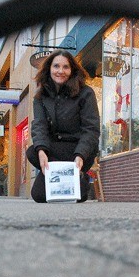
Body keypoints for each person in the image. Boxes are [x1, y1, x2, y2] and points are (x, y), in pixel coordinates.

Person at [26, 49, 100, 203]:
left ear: (72, 70)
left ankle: (79, 177)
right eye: (56, 66)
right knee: (39, 194)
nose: (61, 71)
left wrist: (80, 155)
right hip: (54, 150)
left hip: (79, 151)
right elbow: (39, 125)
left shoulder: (86, 93)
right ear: (49, 69)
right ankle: (69, 178)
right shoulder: (40, 96)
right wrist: (41, 151)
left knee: (76, 196)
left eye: (66, 67)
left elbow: (91, 129)